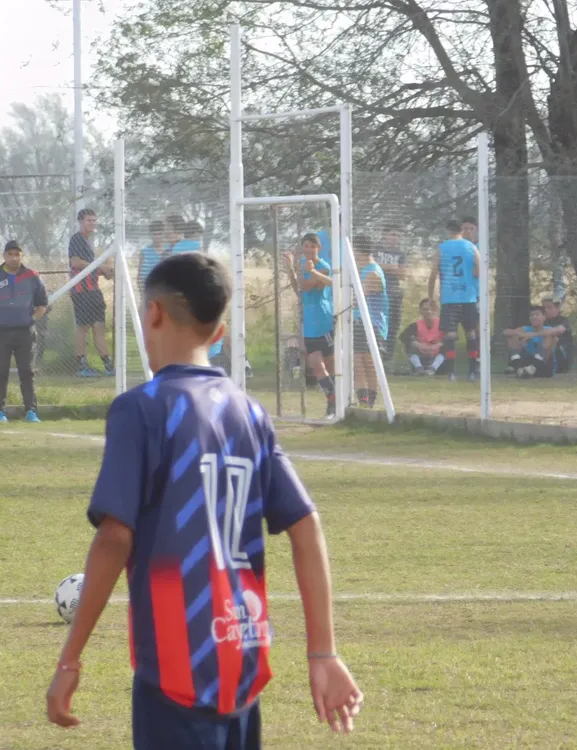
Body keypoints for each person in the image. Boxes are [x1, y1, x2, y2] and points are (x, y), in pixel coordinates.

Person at [44, 253, 363, 746]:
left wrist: (70, 658)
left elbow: (114, 537)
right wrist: (323, 653)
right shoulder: (249, 412)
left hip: (176, 665)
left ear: (152, 313)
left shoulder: (142, 409)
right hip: (242, 656)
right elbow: (306, 526)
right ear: (217, 335)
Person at [0, 240, 48, 423]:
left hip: (25, 333)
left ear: (22, 256)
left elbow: (42, 304)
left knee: (27, 373)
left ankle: (31, 412)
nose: (14, 258)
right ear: (4, 256)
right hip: (0, 334)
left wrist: (31, 320)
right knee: (1, 373)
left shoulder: (32, 276)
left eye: (17, 254)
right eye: (10, 254)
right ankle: (0, 412)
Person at [286, 233, 337, 417]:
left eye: (312, 246)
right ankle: (333, 400)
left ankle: (335, 405)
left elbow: (307, 286)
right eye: (305, 246)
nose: (308, 249)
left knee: (330, 365)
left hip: (323, 319)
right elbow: (298, 290)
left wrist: (308, 271)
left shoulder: (323, 267)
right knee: (315, 363)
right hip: (308, 321)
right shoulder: (302, 266)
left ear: (319, 248)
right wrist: (291, 269)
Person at [428, 219, 480, 382]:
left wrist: (430, 297)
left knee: (450, 335)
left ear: (448, 231)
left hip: (450, 298)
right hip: (468, 297)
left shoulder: (442, 248)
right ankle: (472, 371)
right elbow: (479, 270)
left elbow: (433, 274)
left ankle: (452, 372)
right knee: (470, 333)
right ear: (461, 231)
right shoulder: (471, 247)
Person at [68, 208, 114, 377]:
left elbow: (90, 267)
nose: (92, 223)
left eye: (94, 220)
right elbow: (76, 262)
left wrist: (106, 271)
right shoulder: (77, 239)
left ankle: (108, 366)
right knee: (83, 327)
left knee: (99, 327)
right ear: (81, 222)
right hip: (81, 290)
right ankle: (81, 366)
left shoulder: (90, 242)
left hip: (94, 289)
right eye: (89, 220)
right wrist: (100, 267)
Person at [352, 236, 389, 407]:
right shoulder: (361, 270)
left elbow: (357, 297)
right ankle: (363, 399)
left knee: (369, 360)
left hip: (372, 324)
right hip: (358, 322)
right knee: (357, 360)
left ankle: (371, 400)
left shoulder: (373, 271)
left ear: (359, 251)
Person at [373, 224, 408, 359]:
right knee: (378, 323)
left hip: (394, 293)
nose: (396, 238)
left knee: (393, 325)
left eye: (398, 236)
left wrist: (384, 267)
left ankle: (387, 358)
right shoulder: (376, 249)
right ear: (385, 235)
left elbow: (402, 274)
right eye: (393, 234)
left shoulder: (401, 254)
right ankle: (376, 354)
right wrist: (393, 267)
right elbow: (373, 267)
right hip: (377, 292)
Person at [503, 306, 566, 378]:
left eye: (537, 315)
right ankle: (518, 367)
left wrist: (533, 335)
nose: (534, 317)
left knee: (552, 338)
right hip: (527, 363)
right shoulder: (525, 329)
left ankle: (533, 367)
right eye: (532, 315)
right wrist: (521, 335)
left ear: (544, 317)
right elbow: (506, 332)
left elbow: (557, 331)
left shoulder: (549, 329)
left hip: (544, 365)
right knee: (513, 336)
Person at [399, 298, 445, 375]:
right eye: (425, 309)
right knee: (408, 345)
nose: (429, 312)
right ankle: (418, 368)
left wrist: (437, 345)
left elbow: (451, 338)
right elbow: (403, 337)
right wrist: (418, 345)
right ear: (421, 311)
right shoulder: (416, 325)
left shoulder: (443, 324)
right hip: (421, 354)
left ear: (436, 310)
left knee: (449, 345)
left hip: (437, 354)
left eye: (432, 309)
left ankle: (433, 368)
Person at [541, 296, 574, 373]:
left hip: (562, 358)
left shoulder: (564, 321)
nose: (545, 310)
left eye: (549, 307)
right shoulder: (542, 322)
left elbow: (559, 330)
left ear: (557, 309)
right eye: (543, 308)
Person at [138, 220, 167, 288]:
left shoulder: (169, 250)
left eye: (159, 234)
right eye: (154, 234)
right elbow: (140, 277)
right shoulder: (145, 252)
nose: (157, 237)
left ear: (163, 234)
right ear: (151, 235)